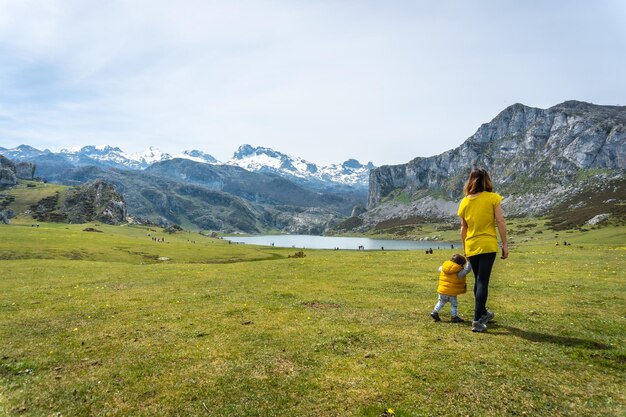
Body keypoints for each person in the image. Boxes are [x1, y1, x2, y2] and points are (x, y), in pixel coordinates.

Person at [458, 168, 508, 332]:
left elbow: (463, 229)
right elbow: (500, 221)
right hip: (487, 244)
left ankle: (483, 313)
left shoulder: (465, 201)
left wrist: (465, 248)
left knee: (478, 280)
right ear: (487, 180)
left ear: (470, 181)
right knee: (482, 281)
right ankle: (477, 321)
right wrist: (505, 244)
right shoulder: (493, 198)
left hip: (471, 245)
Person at [430, 254, 472, 323]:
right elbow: (467, 270)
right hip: (452, 293)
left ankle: (435, 312)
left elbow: (439, 268)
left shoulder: (443, 268)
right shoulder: (459, 273)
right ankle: (454, 317)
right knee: (454, 305)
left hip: (442, 291)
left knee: (441, 302)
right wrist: (469, 261)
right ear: (460, 264)